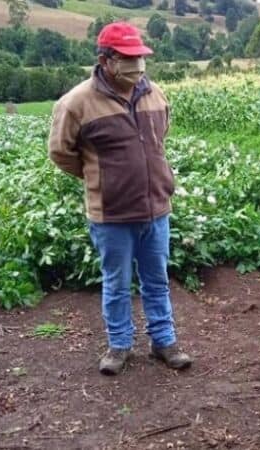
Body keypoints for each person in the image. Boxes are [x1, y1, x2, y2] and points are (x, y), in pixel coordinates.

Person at [48, 22, 193, 376]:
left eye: (140, 57)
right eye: (128, 58)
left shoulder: (154, 94)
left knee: (156, 279)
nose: (137, 65)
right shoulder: (77, 103)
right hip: (110, 214)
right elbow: (60, 152)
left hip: (156, 208)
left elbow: (159, 139)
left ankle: (164, 341)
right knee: (116, 283)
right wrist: (99, 176)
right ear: (105, 60)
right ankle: (119, 345)